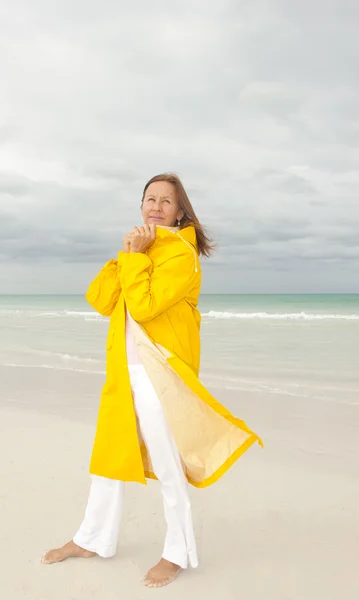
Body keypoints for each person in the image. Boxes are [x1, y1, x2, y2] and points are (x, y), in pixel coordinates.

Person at [41, 173, 262, 588]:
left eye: (166, 201)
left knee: (166, 465)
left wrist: (137, 256)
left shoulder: (181, 254)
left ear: (180, 211)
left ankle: (177, 552)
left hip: (160, 376)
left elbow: (142, 308)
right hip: (125, 372)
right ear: (141, 205)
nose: (156, 207)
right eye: (149, 199)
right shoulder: (145, 248)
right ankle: (92, 539)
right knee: (108, 458)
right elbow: (100, 299)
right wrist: (128, 252)